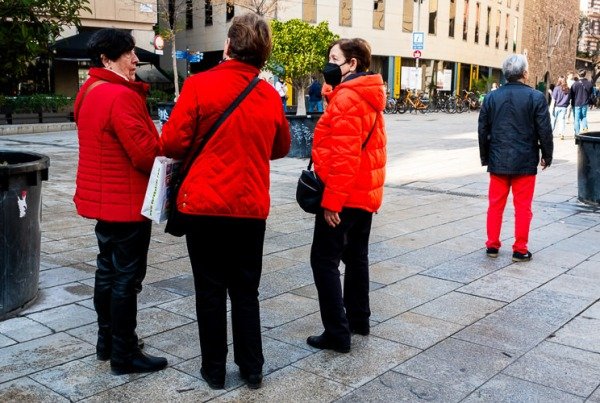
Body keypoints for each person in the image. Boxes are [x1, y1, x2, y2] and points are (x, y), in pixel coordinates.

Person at [160, 13, 290, 390]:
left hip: (202, 207)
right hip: (249, 209)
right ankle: (253, 368)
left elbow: (171, 143)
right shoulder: (267, 94)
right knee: (246, 289)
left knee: (210, 289)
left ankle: (214, 370)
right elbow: (280, 147)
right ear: (263, 54)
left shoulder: (200, 85)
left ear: (229, 46)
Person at [73, 29, 168, 375]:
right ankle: (124, 353)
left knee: (107, 272)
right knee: (127, 278)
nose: (136, 60)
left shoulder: (89, 91)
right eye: (129, 53)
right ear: (107, 59)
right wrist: (164, 144)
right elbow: (145, 154)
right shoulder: (121, 96)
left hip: (102, 202)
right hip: (126, 203)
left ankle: (107, 341)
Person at [307, 38, 387, 353]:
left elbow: (344, 155)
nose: (328, 63)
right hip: (364, 193)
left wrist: (331, 202)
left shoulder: (347, 99)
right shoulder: (368, 96)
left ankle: (337, 332)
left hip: (345, 195)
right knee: (356, 257)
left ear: (351, 63)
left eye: (334, 58)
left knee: (323, 261)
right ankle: (358, 320)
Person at [478, 54, 553, 262]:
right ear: (525, 73)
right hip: (525, 160)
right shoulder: (536, 97)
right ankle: (520, 249)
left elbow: (482, 129)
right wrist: (547, 154)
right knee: (523, 207)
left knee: (495, 205)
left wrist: (486, 157)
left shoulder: (491, 97)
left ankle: (492, 245)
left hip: (498, 159)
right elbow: (544, 130)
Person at [570, 69, 593, 135]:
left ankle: (577, 133)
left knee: (577, 119)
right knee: (584, 116)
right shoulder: (589, 84)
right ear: (585, 74)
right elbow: (591, 94)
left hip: (576, 103)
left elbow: (571, 95)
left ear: (578, 75)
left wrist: (571, 103)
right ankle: (585, 129)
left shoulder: (575, 84)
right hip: (585, 103)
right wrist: (591, 103)